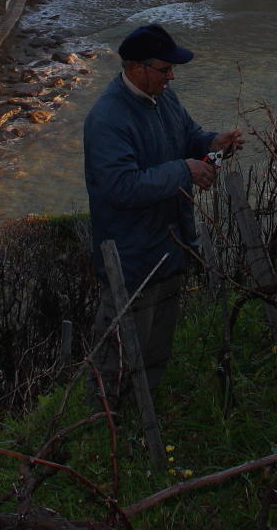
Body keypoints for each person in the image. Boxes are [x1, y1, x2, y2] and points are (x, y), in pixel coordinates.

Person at [83, 23, 243, 407]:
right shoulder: (106, 118)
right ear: (136, 68)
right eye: (165, 69)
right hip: (132, 258)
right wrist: (183, 171)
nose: (172, 76)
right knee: (117, 359)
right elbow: (119, 187)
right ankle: (101, 429)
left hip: (169, 248)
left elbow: (187, 135)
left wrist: (211, 142)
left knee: (156, 350)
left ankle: (144, 416)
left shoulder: (163, 97)